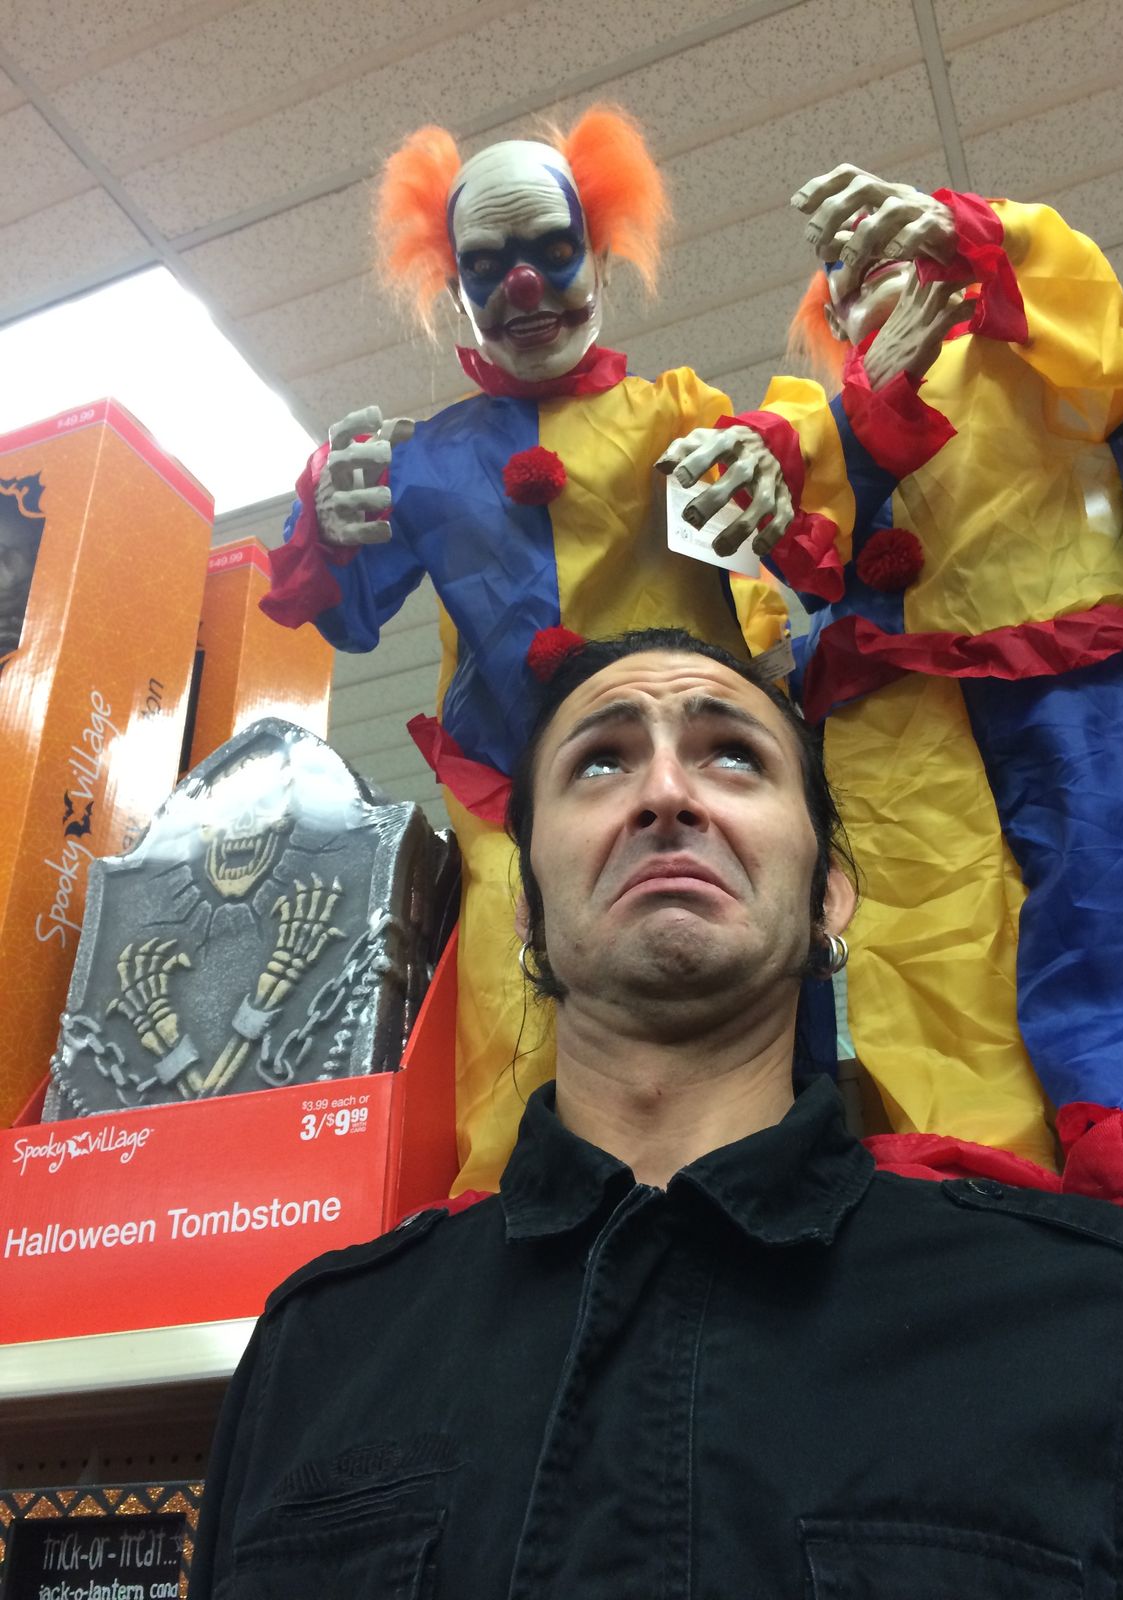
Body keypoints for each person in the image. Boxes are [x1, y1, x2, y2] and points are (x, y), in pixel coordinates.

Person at [191, 629, 1123, 1600]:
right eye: (601, 762)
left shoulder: (1103, 1319)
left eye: (734, 756)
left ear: (828, 898)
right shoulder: (320, 1350)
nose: (666, 795)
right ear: (527, 910)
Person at [258, 112, 935, 1196]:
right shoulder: (421, 463)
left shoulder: (681, 415)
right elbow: (341, 614)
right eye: (488, 268)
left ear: (601, 253)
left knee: (752, 999)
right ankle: (511, 1239)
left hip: (699, 780)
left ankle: (788, 1204)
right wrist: (325, 530)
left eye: (551, 250)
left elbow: (810, 564)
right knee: (510, 1039)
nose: (523, 287)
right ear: (458, 292)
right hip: (513, 803)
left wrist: (781, 484)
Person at [787, 165, 1123, 1204]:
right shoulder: (814, 418)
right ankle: (976, 1152)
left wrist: (987, 232)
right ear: (832, 316)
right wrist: (859, 414)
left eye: (895, 245)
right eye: (848, 268)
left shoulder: (1031, 351)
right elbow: (797, 535)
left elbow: (1108, 349)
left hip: (1067, 652)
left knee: (1116, 863)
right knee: (921, 920)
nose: (875, 266)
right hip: (894, 704)